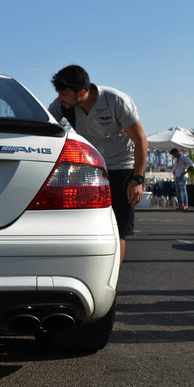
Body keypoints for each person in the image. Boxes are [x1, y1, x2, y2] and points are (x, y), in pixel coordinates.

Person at [48, 65, 148, 266]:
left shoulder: (116, 101)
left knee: (118, 229)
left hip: (122, 167)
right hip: (90, 169)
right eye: (58, 94)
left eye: (63, 94)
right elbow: (46, 126)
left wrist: (137, 180)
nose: (59, 99)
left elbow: (141, 140)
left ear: (82, 92)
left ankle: (112, 282)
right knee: (83, 225)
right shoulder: (64, 105)